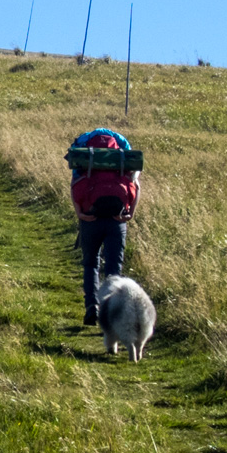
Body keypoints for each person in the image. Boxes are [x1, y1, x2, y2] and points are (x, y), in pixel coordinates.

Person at [70, 127, 140, 325]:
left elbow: (74, 183)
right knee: (113, 268)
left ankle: (92, 306)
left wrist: (79, 212)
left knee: (91, 262)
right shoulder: (123, 150)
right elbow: (136, 185)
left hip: (90, 217)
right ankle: (110, 311)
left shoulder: (84, 147)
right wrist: (130, 212)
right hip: (116, 219)